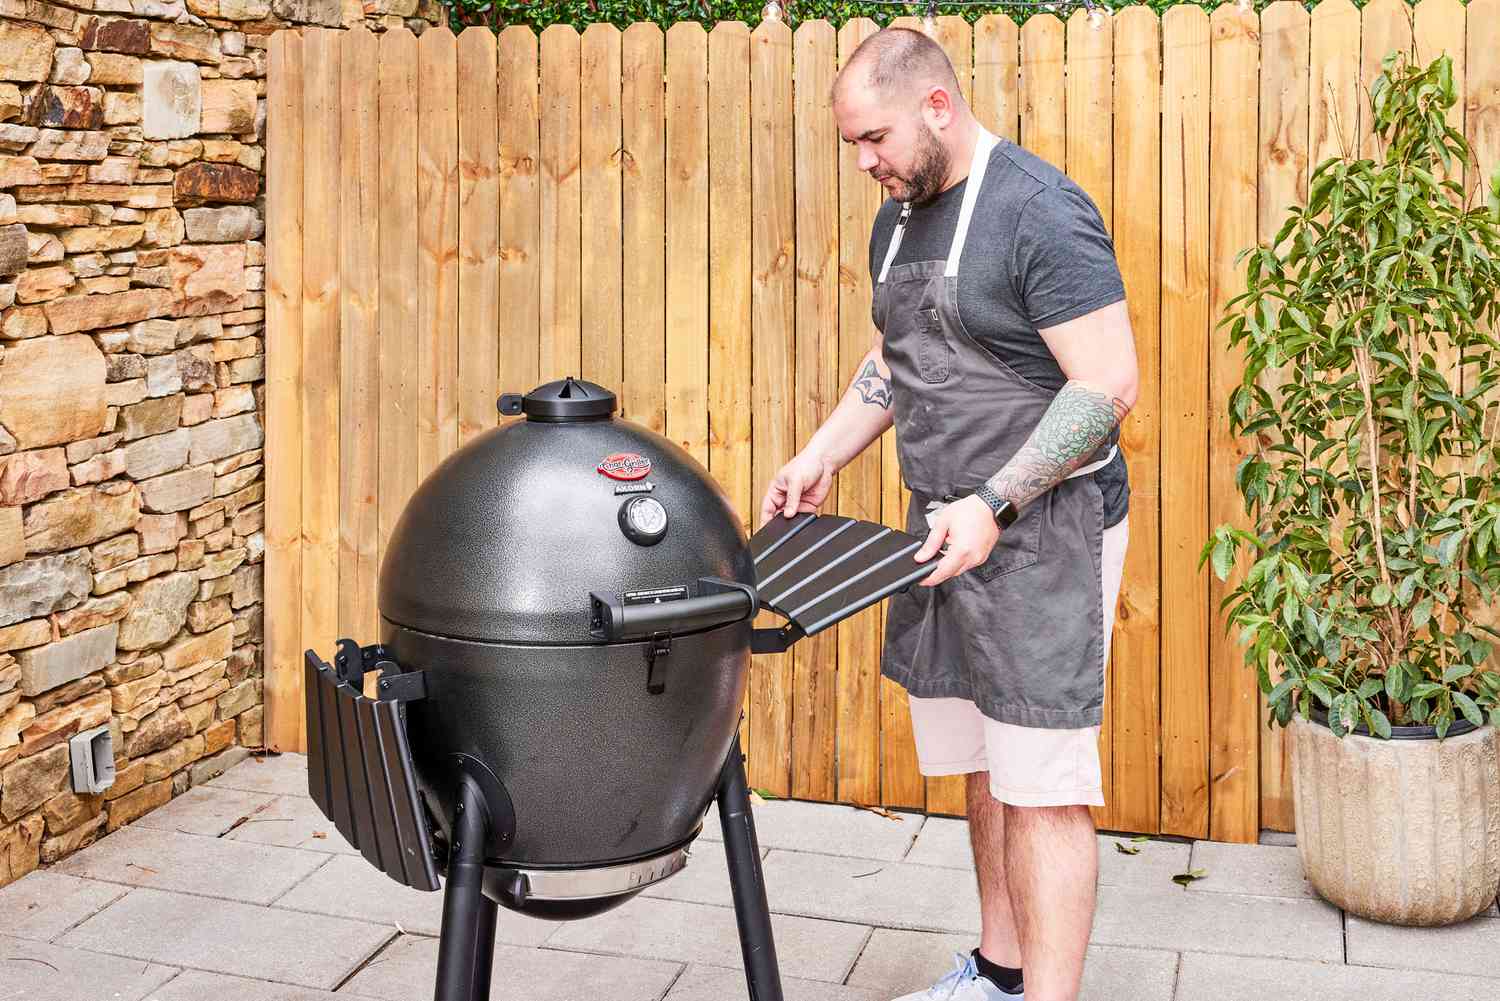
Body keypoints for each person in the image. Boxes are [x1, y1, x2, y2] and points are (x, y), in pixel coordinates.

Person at [756, 27, 1139, 1001]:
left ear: (935, 105)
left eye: (872, 138)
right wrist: (820, 453)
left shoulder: (1039, 211)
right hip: (947, 535)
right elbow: (897, 360)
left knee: (1041, 787)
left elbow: (1106, 386)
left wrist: (995, 502)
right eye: (851, 144)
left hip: (1046, 530)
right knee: (982, 766)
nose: (864, 161)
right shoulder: (897, 221)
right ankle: (999, 972)